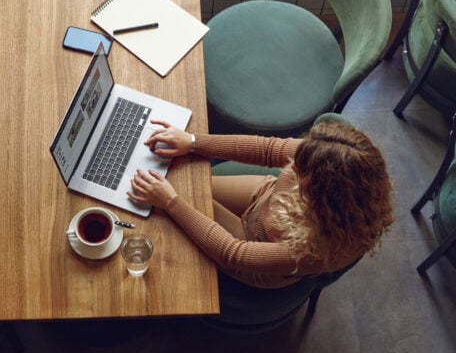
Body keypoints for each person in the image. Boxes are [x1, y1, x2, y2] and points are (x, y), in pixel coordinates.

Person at [127, 119, 393, 288]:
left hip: (253, 250)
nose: (292, 165)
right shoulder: (330, 160)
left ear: (321, 198)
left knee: (172, 204)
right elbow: (267, 150)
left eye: (300, 174)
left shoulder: (310, 252)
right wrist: (194, 142)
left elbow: (234, 253)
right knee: (183, 184)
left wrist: (172, 203)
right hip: (264, 198)